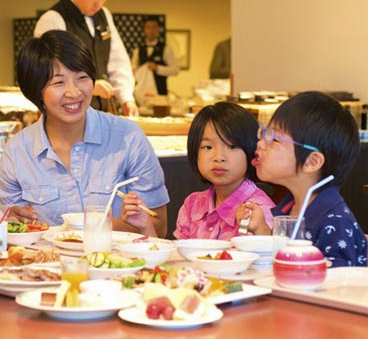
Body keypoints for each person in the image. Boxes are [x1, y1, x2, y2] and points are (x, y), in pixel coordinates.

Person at [0, 30, 169, 237]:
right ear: (36, 90)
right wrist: (13, 223)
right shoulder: (17, 153)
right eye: (58, 82)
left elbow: (159, 226)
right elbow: (13, 232)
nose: (74, 92)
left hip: (118, 265)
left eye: (82, 78)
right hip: (47, 266)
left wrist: (94, 226)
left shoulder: (127, 138)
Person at [237, 91, 367, 267]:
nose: (260, 143)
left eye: (274, 139)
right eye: (264, 132)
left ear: (311, 161)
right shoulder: (290, 208)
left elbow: (341, 285)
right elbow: (282, 262)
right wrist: (262, 229)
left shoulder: (335, 221)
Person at [34, 0, 138, 116]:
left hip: (101, 114)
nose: (99, 2)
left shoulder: (104, 16)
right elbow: (48, 74)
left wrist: (126, 98)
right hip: (66, 115)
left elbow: (118, 61)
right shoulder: (53, 19)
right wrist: (88, 85)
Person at [174, 102, 275, 240]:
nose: (219, 157)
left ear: (251, 150)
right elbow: (179, 255)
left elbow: (264, 257)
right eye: (208, 147)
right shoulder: (192, 204)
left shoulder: (258, 209)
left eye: (232, 146)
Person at [130, 16, 179, 97]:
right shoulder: (138, 50)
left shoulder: (166, 49)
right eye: (148, 27)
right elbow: (133, 68)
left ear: (158, 29)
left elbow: (175, 70)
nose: (151, 30)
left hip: (161, 93)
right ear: (144, 30)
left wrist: (157, 68)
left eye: (154, 27)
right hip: (142, 94)